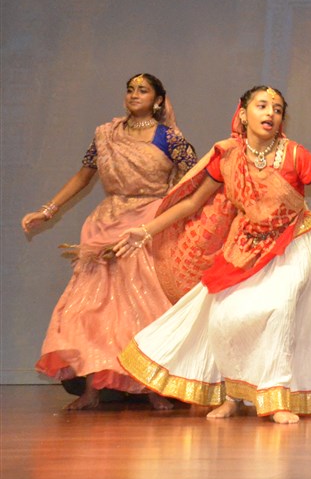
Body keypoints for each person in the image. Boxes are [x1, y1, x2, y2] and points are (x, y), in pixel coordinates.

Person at [115, 86, 311, 424]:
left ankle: (277, 396)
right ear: (243, 113)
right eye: (262, 106)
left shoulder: (296, 155)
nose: (271, 113)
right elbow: (192, 203)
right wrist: (145, 231)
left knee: (278, 310)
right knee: (224, 317)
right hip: (243, 245)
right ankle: (234, 394)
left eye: (278, 109)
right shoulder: (226, 156)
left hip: (292, 243)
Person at [21, 73, 197, 411]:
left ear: (158, 100)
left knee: (146, 307)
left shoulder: (169, 138)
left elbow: (196, 179)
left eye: (142, 90)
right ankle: (92, 388)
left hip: (147, 226)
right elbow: (85, 174)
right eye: (130, 89)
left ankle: (153, 387)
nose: (133, 95)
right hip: (104, 224)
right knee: (93, 310)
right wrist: (48, 209)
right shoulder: (106, 134)